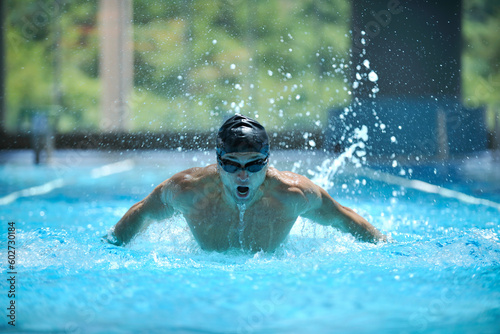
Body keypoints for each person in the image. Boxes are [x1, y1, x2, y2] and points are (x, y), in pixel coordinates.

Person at [110, 114, 386, 252]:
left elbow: (343, 218)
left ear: (268, 162)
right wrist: (110, 246)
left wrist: (385, 246)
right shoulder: (188, 191)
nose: (243, 174)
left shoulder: (293, 194)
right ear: (218, 162)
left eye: (254, 164)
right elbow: (143, 211)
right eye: (232, 164)